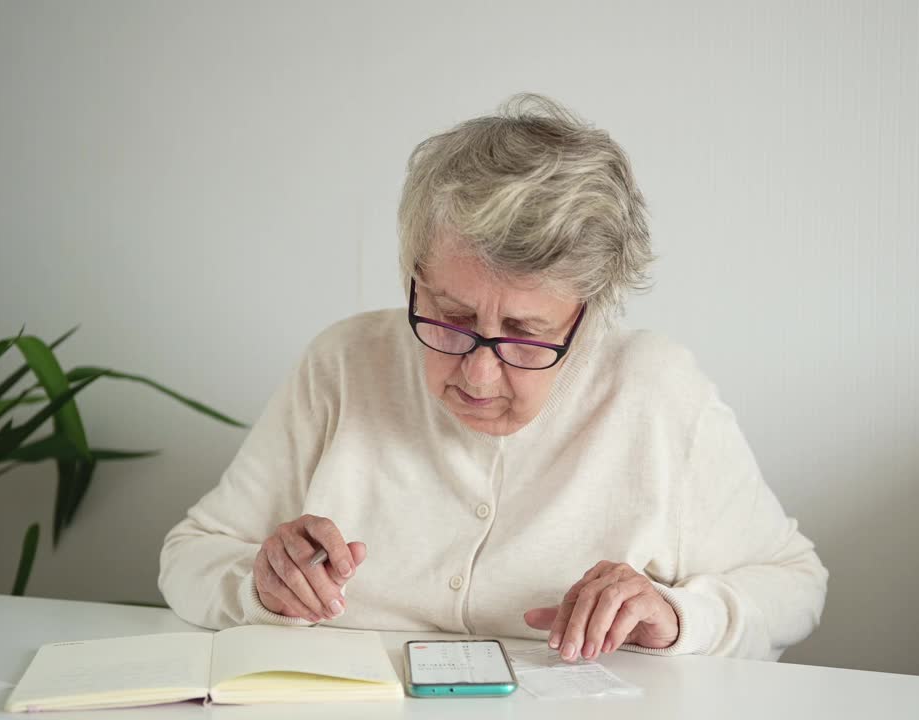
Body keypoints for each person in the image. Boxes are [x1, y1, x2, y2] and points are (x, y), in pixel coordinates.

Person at [159, 94, 828, 661]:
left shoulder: (655, 392)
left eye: (527, 335)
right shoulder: (345, 362)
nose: (478, 372)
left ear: (587, 317)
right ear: (413, 278)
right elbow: (190, 556)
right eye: (450, 318)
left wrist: (681, 617)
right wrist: (258, 583)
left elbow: (795, 583)